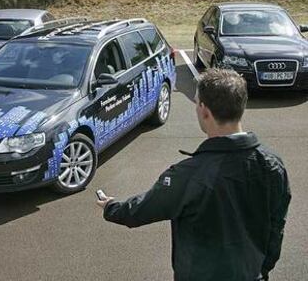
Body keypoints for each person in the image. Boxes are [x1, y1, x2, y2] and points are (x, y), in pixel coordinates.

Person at [96, 69, 291, 281]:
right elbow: (276, 226)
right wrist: (262, 269)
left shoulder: (189, 174)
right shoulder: (272, 164)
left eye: (196, 102)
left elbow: (143, 209)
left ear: (204, 110)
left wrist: (110, 207)